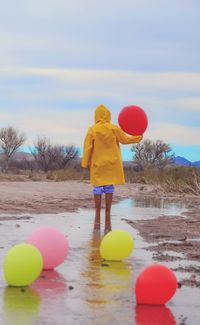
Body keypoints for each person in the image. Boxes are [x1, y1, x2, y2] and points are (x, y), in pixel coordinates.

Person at [81, 104, 142, 234]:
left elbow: (87, 148)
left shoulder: (92, 129)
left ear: (96, 116)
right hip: (112, 164)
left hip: (98, 165)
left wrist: (85, 163)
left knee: (97, 188)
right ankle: (108, 223)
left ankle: (97, 221)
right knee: (109, 187)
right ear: (108, 115)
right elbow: (125, 139)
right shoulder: (114, 128)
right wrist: (138, 137)